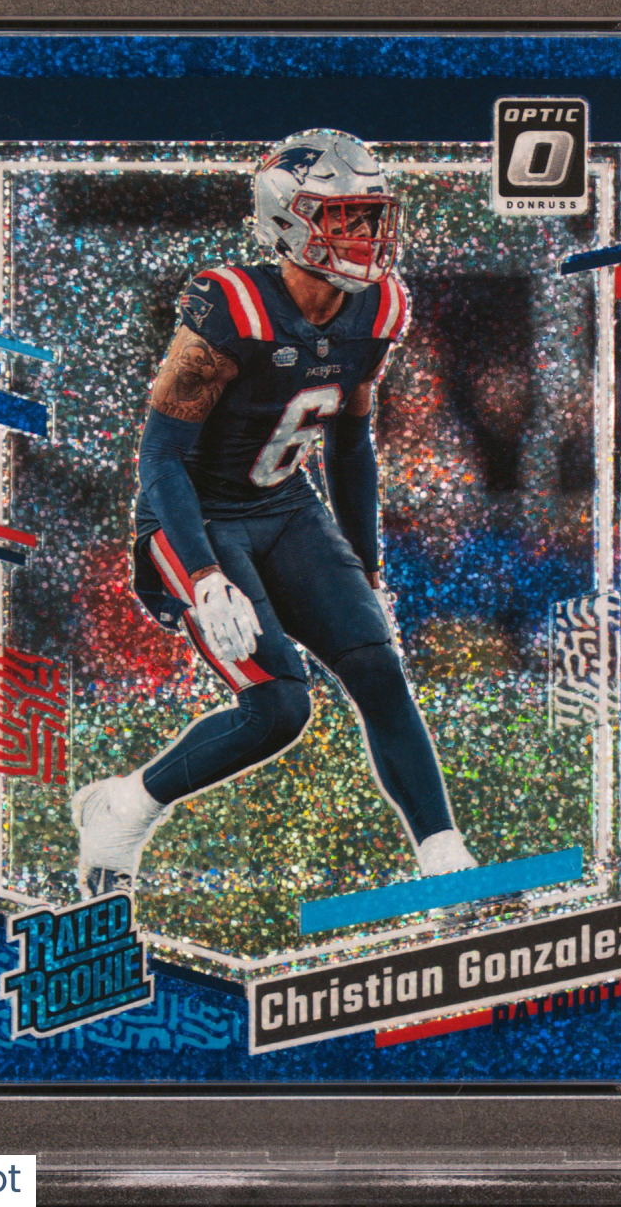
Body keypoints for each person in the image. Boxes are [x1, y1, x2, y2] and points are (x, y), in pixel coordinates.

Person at [73, 129, 476, 899]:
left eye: (373, 216)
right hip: (195, 518)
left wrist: (367, 569)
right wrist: (202, 574)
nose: (366, 235)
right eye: (346, 217)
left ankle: (445, 859)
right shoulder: (232, 306)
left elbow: (350, 446)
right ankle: (124, 805)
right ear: (290, 219)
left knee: (378, 668)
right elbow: (160, 458)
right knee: (279, 706)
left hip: (286, 507)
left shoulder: (380, 306)